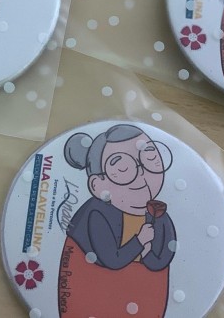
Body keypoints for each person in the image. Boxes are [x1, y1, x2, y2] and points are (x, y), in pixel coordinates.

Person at [58, 124, 176, 317]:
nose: (141, 174)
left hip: (144, 294)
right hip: (94, 288)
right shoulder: (95, 214)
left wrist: (147, 253)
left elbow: (163, 258)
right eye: (123, 169)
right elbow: (112, 259)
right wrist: (140, 242)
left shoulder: (158, 213)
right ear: (97, 185)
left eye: (150, 160)